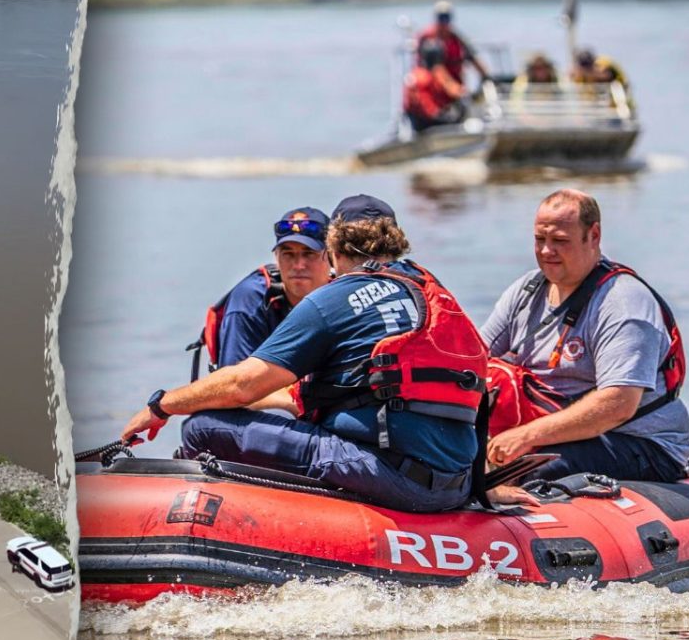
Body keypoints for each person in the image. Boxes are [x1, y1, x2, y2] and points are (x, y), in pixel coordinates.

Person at [122, 195, 495, 513]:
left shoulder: (335, 297)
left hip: (390, 476)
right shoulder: (432, 293)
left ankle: (215, 517)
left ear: (332, 252)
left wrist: (163, 405)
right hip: (456, 484)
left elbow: (243, 383)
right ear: (397, 245)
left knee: (203, 428)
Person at [480, 189, 689, 484]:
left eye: (560, 241)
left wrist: (526, 435)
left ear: (593, 235)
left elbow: (618, 405)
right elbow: (473, 360)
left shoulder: (623, 302)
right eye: (540, 240)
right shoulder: (526, 291)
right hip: (551, 431)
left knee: (524, 475)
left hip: (637, 441)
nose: (546, 251)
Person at [188, 207, 334, 380]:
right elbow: (232, 385)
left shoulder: (345, 294)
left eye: (309, 254)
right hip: (268, 401)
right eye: (288, 254)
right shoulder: (250, 300)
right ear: (276, 257)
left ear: (332, 256)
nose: (298, 265)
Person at [416, 0, 489, 86]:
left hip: (455, 82)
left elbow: (472, 57)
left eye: (446, 18)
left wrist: (486, 77)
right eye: (441, 18)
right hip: (433, 85)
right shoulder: (427, 39)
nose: (444, 22)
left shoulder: (457, 39)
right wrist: (450, 87)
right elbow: (432, 69)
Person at [403, 39, 466, 133]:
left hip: (422, 120)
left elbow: (452, 91)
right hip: (427, 122)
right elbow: (426, 105)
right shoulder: (425, 76)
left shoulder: (420, 73)